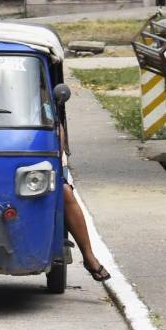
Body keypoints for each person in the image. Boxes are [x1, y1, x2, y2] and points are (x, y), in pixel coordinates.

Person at [58, 117, 110, 282]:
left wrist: (56, 148)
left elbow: (53, 123)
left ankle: (88, 256)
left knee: (64, 191)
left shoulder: (34, 94)